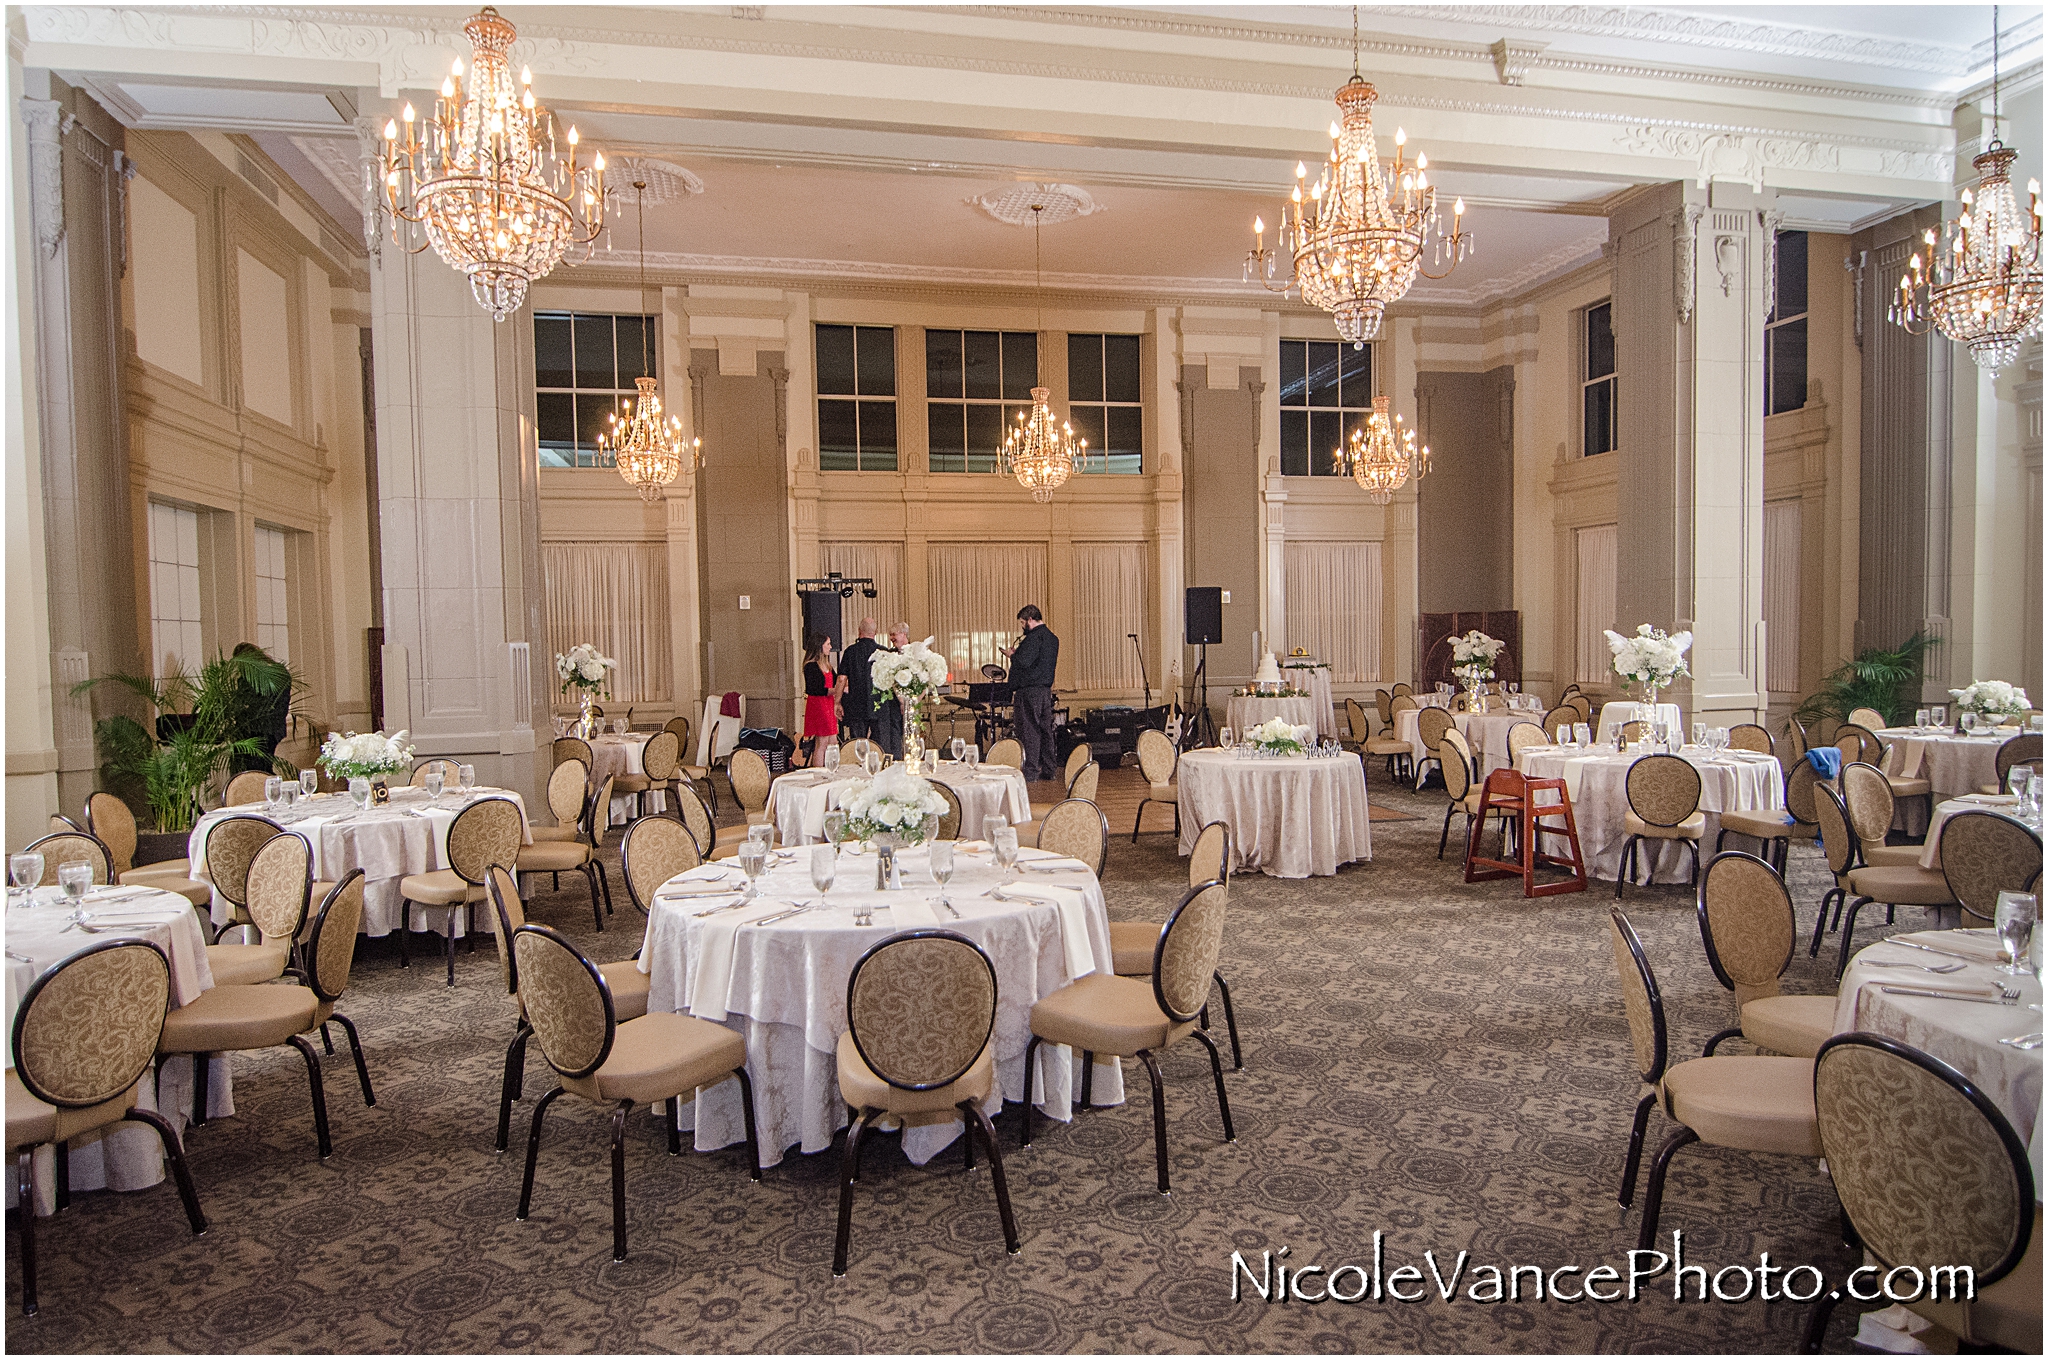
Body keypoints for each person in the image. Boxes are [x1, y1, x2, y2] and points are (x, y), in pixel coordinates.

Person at [1003, 605, 1060, 782]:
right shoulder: (1052, 638)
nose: (1022, 627)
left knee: (1029, 730)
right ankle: (1050, 768)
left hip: (1029, 690)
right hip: (1045, 691)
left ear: (1029, 620)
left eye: (1022, 622)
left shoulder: (1033, 638)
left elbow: (1024, 661)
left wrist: (1012, 655)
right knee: (1045, 730)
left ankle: (1030, 771)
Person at [798, 633, 843, 767]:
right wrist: (837, 690)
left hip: (828, 704)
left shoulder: (828, 665)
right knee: (822, 742)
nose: (830, 647)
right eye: (828, 644)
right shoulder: (811, 666)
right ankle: (819, 771)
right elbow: (815, 689)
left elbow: (835, 682)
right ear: (819, 646)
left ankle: (832, 768)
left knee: (833, 741)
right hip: (818, 705)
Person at [839, 617, 881, 743]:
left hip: (856, 706)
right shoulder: (883, 652)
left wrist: (837, 702)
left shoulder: (850, 651)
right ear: (875, 632)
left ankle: (859, 762)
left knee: (858, 744)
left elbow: (841, 679)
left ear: (859, 631)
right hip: (878, 706)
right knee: (879, 744)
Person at [875, 622, 910, 758]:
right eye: (890, 635)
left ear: (904, 634)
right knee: (894, 734)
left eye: (894, 634)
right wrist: (901, 701)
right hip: (893, 703)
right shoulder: (890, 654)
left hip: (912, 702)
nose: (891, 638)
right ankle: (896, 761)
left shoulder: (915, 652)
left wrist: (913, 700)